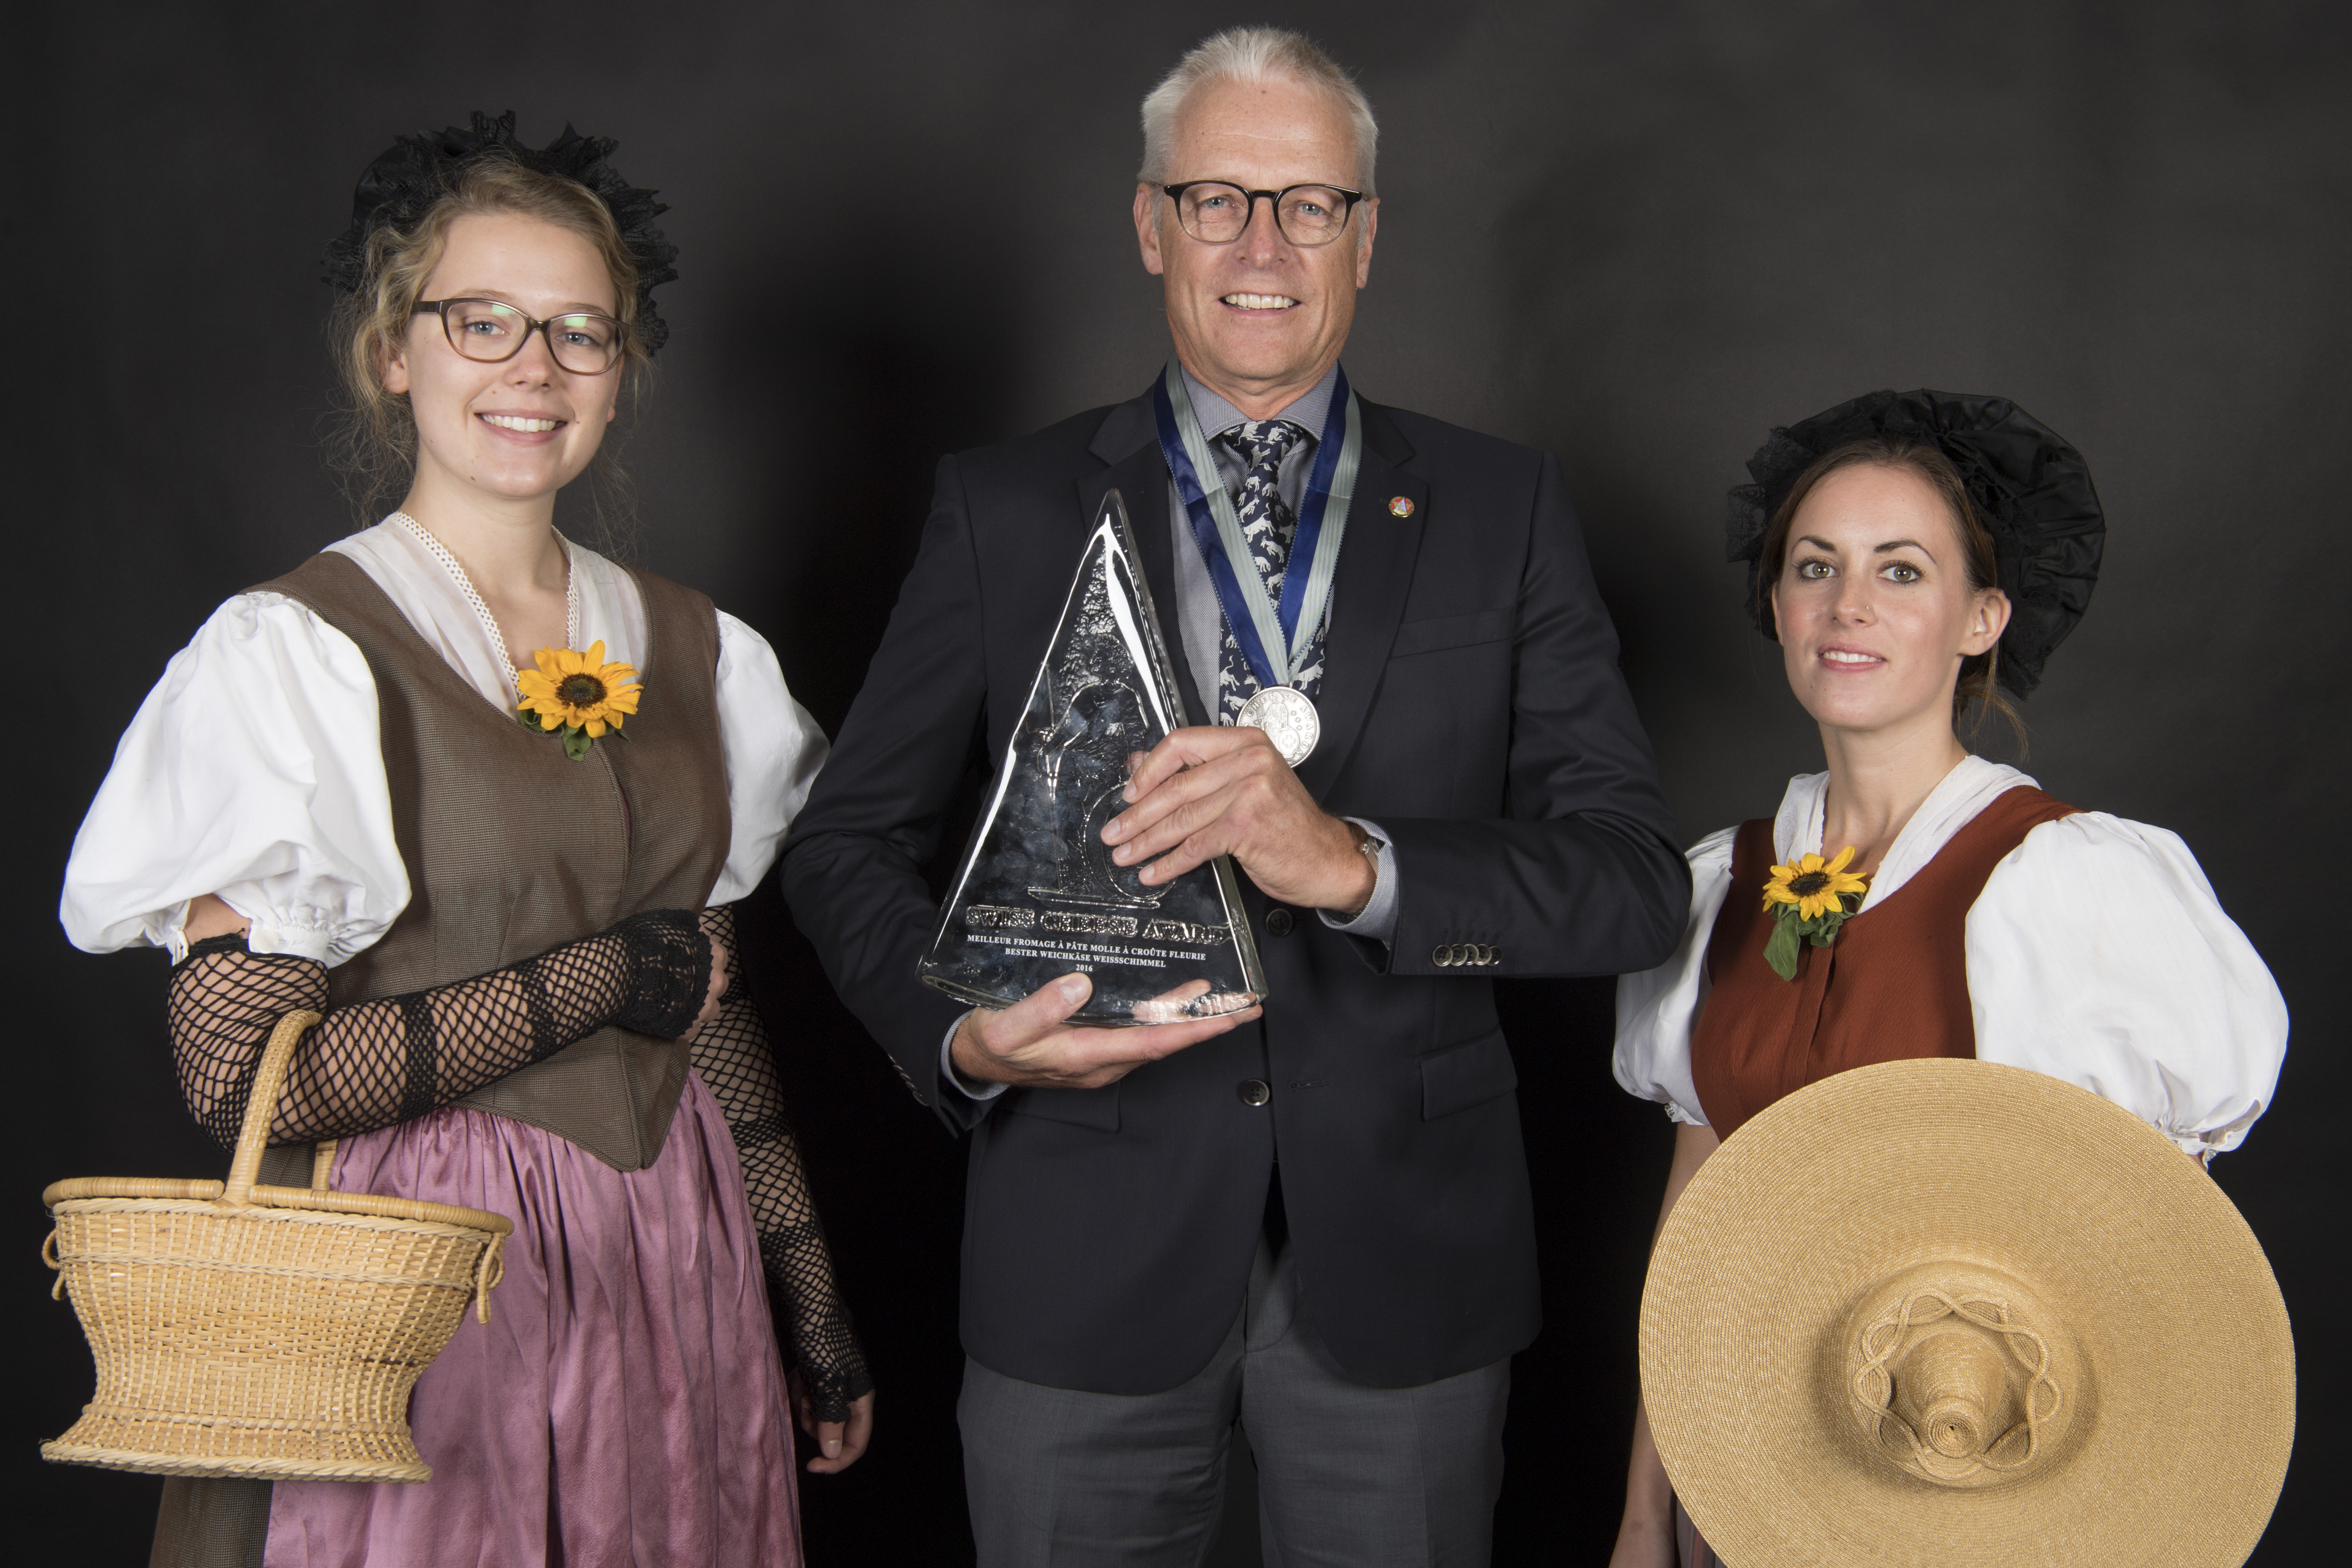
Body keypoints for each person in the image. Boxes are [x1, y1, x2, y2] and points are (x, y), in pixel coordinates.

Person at [782, 27, 1687, 1566]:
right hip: (1076, 1255)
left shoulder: (1502, 507)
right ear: (1150, 225)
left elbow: (1631, 882)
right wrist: (955, 1033)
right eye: (1215, 199)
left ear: (1365, 236)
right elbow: (842, 841)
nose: (1261, 246)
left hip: (1407, 1268)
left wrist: (1357, 867)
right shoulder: (1001, 508)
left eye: (1307, 203)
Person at [60, 113, 872, 1568]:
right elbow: (240, 1075)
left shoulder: (701, 651)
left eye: (578, 332)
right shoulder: (295, 653)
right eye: (480, 320)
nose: (533, 368)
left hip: (668, 1257)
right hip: (427, 1278)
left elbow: (700, 996)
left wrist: (806, 1292)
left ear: (620, 370)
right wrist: (597, 979)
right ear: (395, 350)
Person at [1605, 390, 2289, 1568]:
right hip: (1747, 1483)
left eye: (1901, 570)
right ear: (1778, 606)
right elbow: (1694, 1251)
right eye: (1814, 566)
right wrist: (1645, 1516)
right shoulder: (1727, 881)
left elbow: (2146, 1260)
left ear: (1982, 618)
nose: (1848, 604)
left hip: (1965, 1487)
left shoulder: (2062, 883)